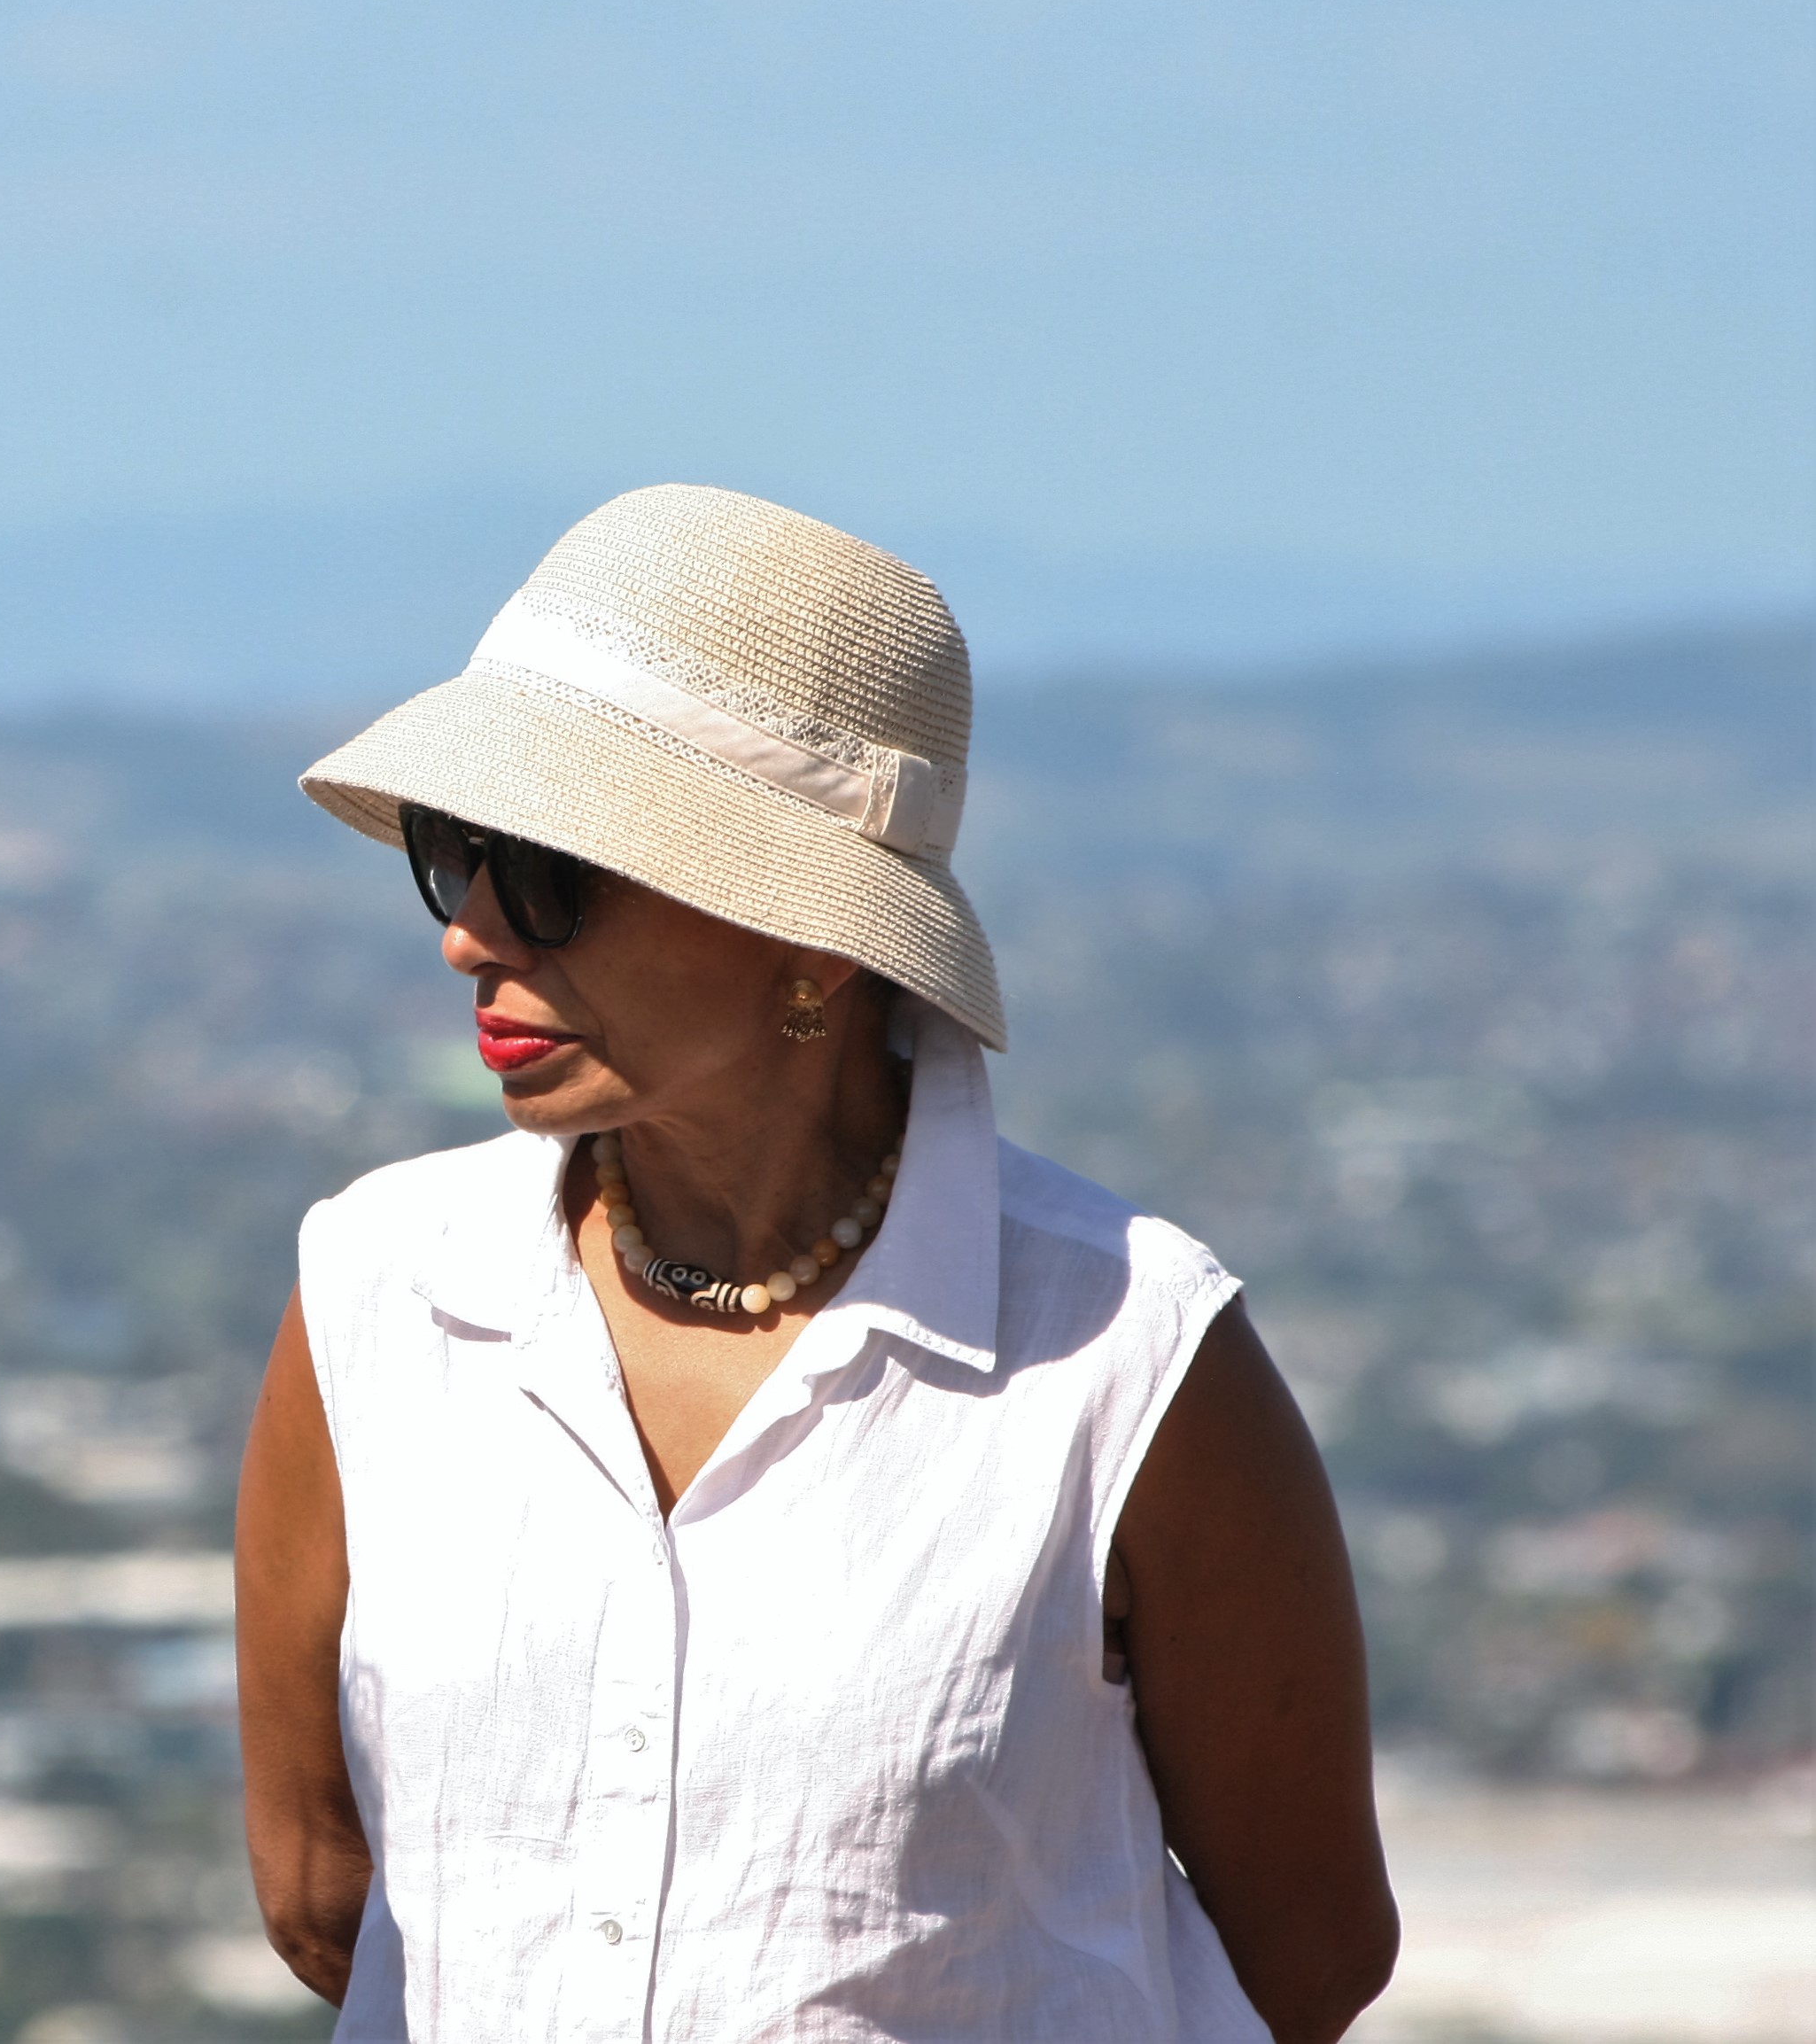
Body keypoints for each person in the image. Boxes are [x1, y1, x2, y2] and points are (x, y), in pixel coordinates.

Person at [234, 486, 1397, 2041]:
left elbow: (1306, 1953)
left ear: (813, 941)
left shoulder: (1123, 1352)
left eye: (551, 874)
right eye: (457, 854)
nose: (472, 934)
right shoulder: (379, 1294)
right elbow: (326, 1892)